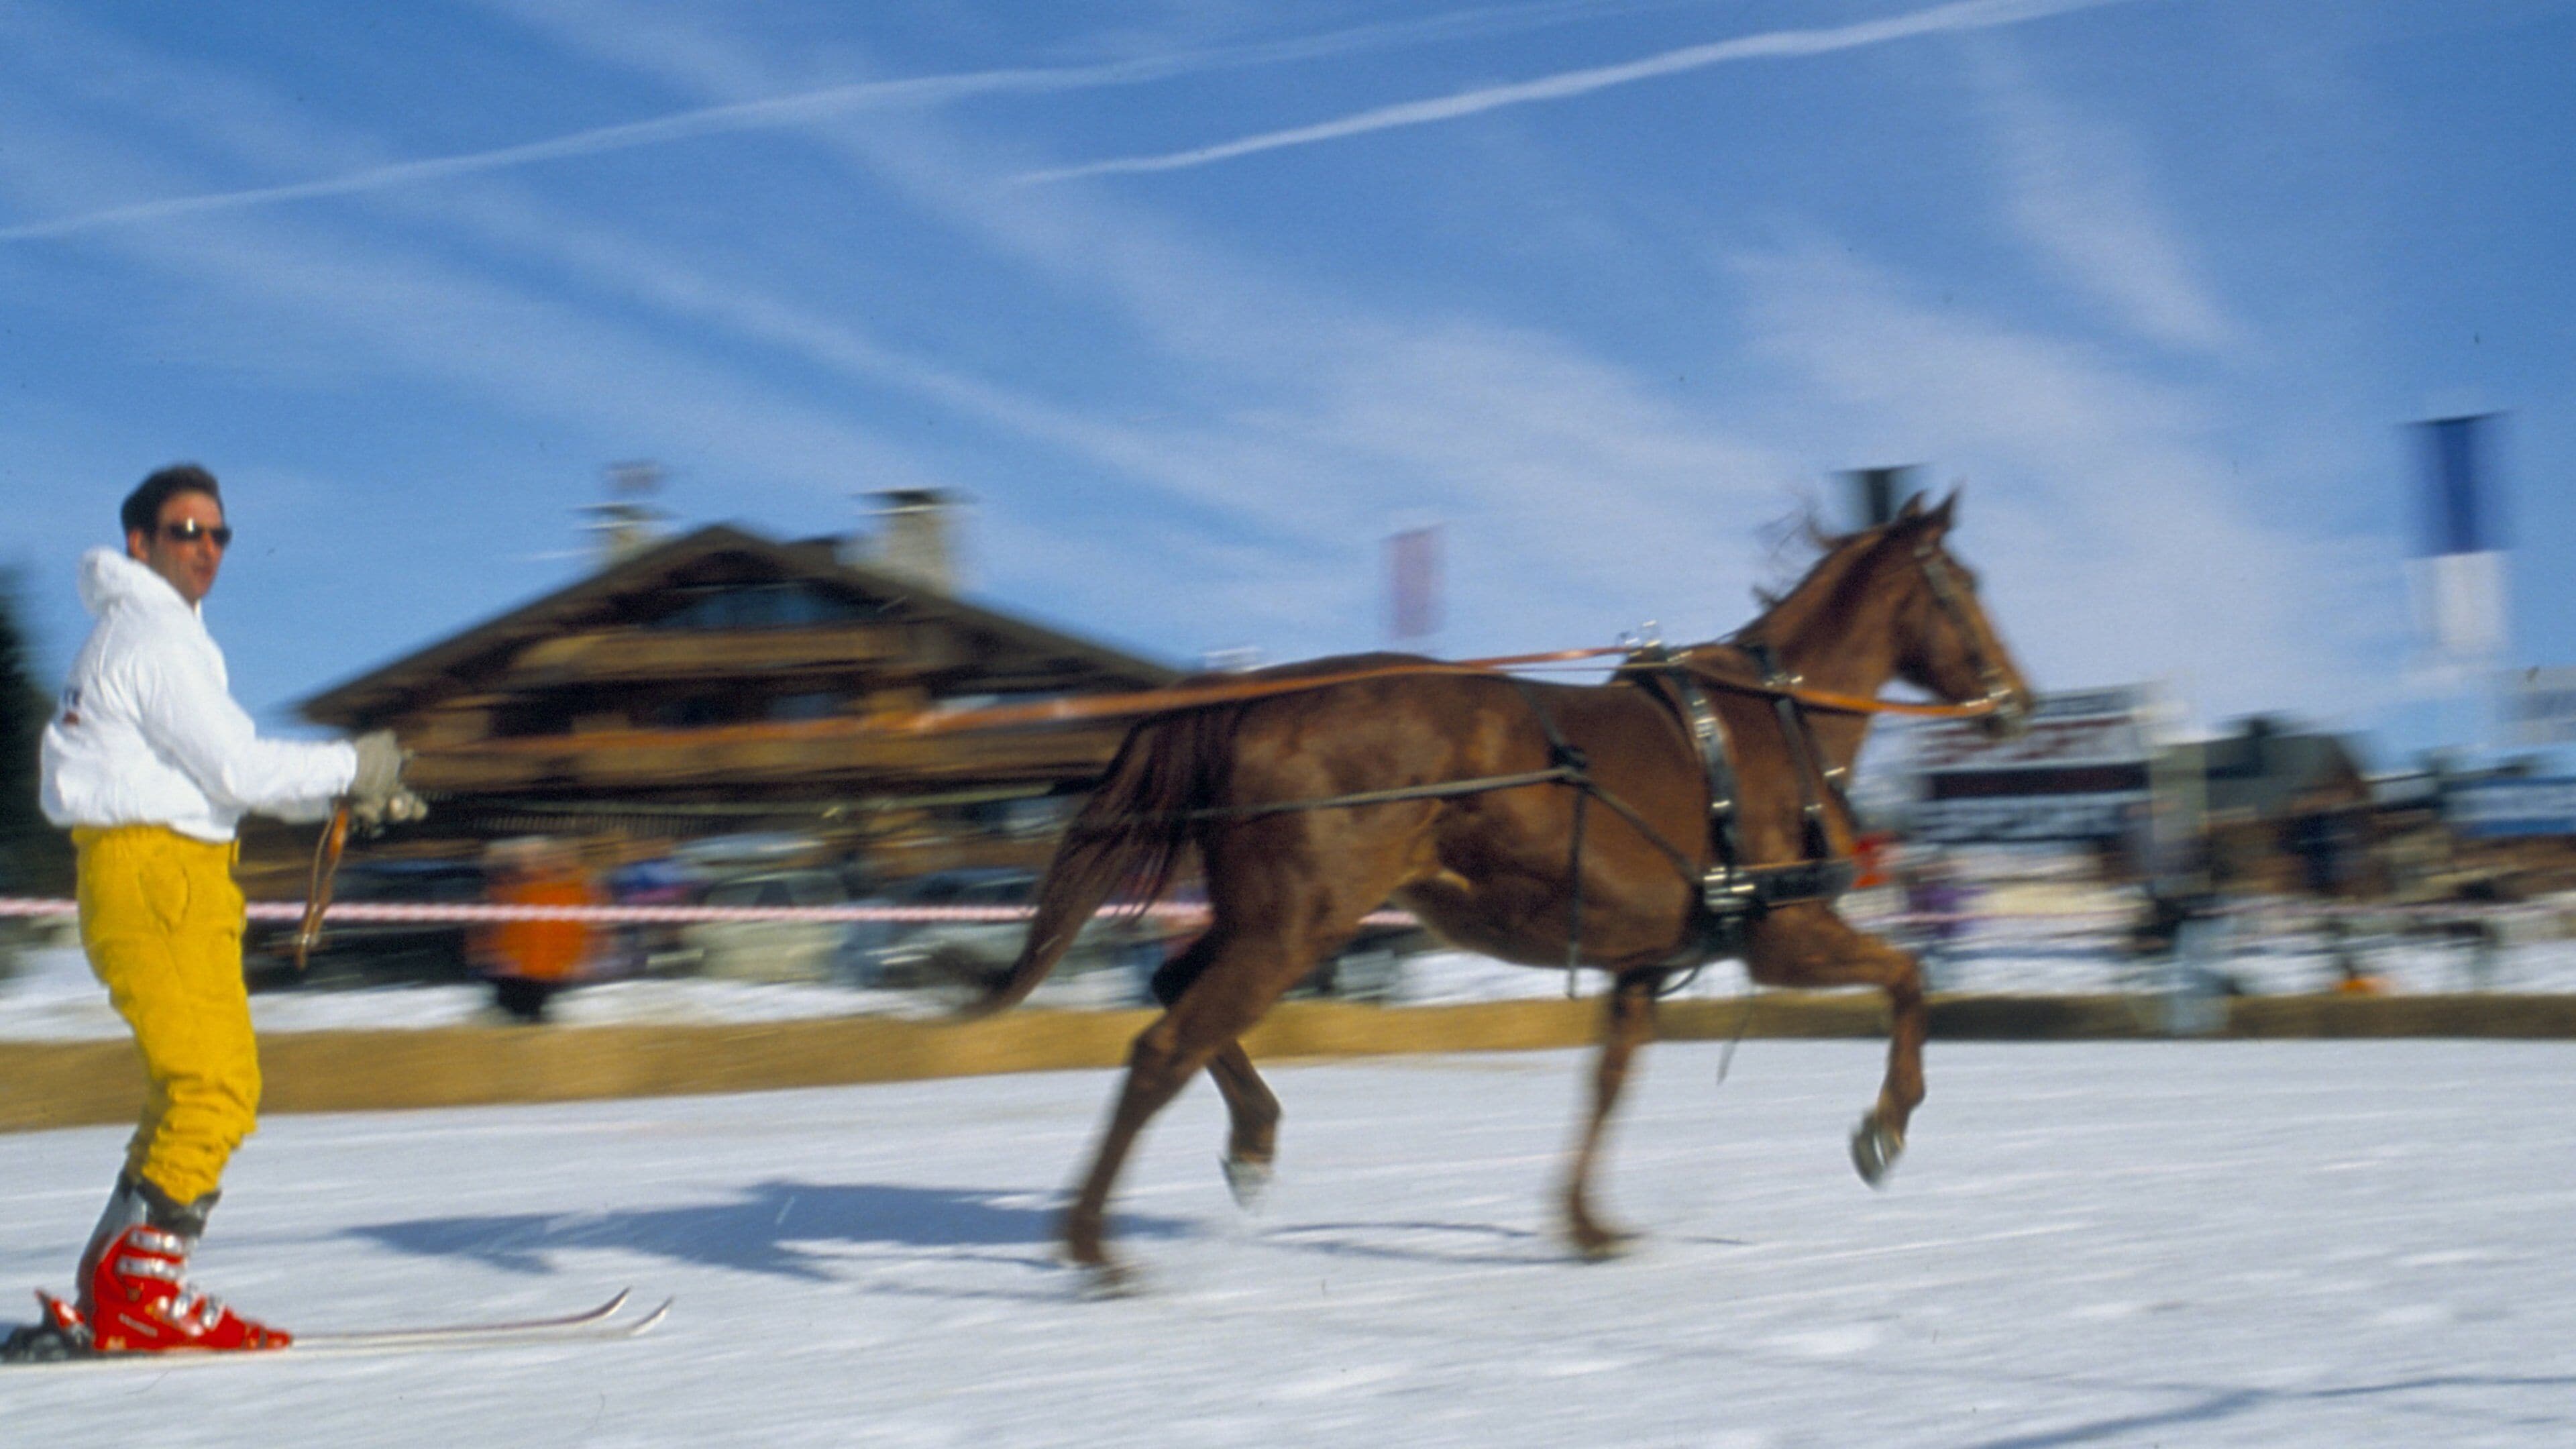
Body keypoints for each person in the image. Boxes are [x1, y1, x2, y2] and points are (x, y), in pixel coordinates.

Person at [23, 464, 417, 1356]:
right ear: (140, 542)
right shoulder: (152, 639)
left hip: (176, 873)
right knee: (214, 1088)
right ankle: (139, 1294)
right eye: (185, 532)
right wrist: (353, 770)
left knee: (199, 1086)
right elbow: (237, 769)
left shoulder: (152, 636)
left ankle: (121, 1289)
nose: (206, 549)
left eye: (219, 534)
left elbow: (213, 776)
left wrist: (342, 796)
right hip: (157, 874)